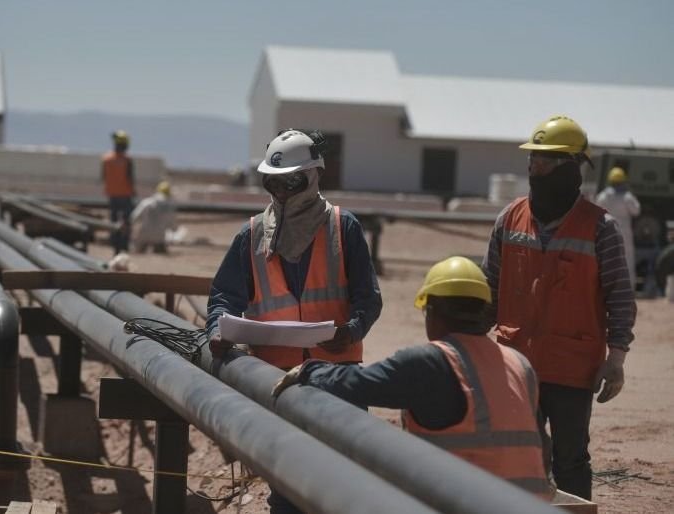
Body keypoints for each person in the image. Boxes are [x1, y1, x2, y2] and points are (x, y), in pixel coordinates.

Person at [206, 129, 382, 513]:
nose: (283, 193)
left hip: (338, 377)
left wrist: (350, 330)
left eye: (292, 182)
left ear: (314, 176)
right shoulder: (252, 234)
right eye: (274, 183)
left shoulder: (342, 227)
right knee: (286, 485)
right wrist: (218, 329)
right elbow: (224, 296)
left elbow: (368, 298)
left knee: (342, 484)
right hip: (277, 381)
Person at [272, 256, 551, 499]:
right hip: (528, 504)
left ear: (432, 312)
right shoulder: (520, 365)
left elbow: (358, 383)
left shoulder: (431, 363)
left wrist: (311, 370)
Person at [482, 115, 636, 500]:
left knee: (569, 460)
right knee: (520, 455)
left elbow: (620, 296)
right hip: (514, 363)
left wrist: (615, 359)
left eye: (545, 161)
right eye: (532, 160)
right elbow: (489, 290)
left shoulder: (601, 227)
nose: (534, 168)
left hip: (572, 369)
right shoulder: (509, 218)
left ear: (571, 167)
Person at [595, 167, 641, 290]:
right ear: (623, 181)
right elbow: (636, 211)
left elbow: (596, 210)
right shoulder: (627, 197)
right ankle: (629, 288)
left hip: (607, 230)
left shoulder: (603, 196)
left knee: (606, 258)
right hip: (624, 232)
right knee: (627, 259)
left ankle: (603, 287)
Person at [102, 130, 135, 254]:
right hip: (125, 195)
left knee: (114, 222)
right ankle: (124, 247)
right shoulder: (127, 160)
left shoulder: (106, 159)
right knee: (126, 223)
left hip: (112, 195)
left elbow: (104, 177)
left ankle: (115, 247)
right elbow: (130, 178)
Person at [130, 180, 177, 254]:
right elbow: (173, 224)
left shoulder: (146, 202)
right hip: (159, 237)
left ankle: (140, 248)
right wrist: (174, 230)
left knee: (138, 251)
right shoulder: (169, 207)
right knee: (160, 250)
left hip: (144, 234)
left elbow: (134, 217)